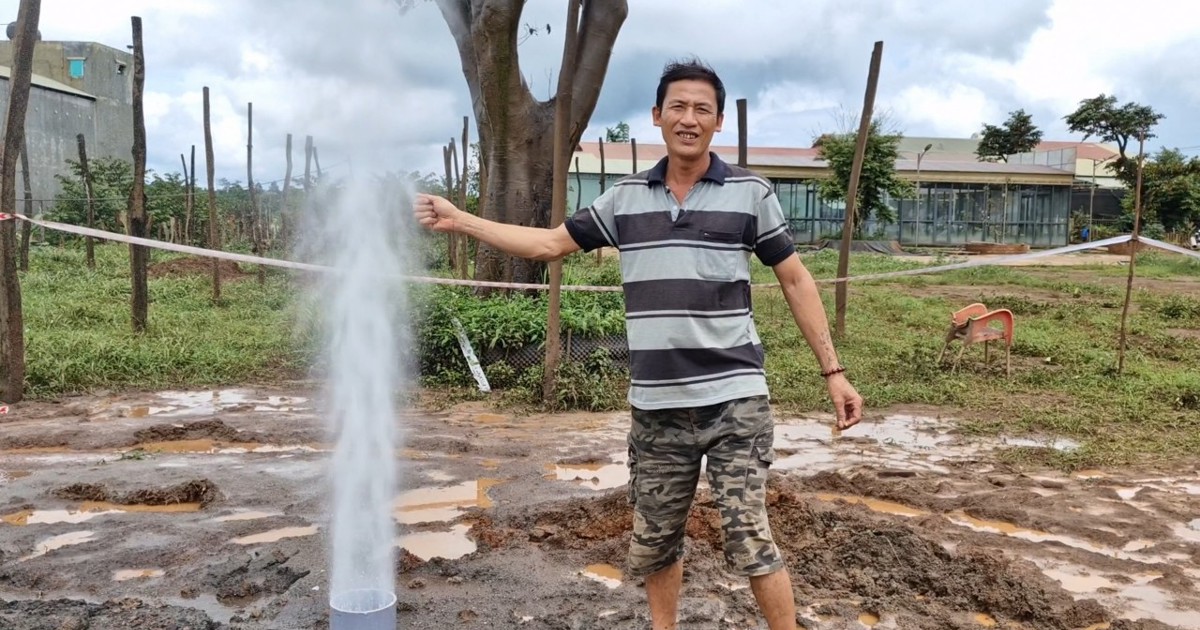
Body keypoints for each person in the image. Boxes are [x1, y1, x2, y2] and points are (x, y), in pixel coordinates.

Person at [414, 58, 863, 630]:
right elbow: (550, 244)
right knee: (656, 541)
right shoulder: (625, 201)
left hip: (736, 400)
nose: (689, 118)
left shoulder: (751, 194)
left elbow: (795, 278)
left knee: (750, 536)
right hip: (657, 409)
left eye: (702, 108)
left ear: (718, 121)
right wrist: (462, 221)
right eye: (678, 106)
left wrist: (834, 371)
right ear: (657, 116)